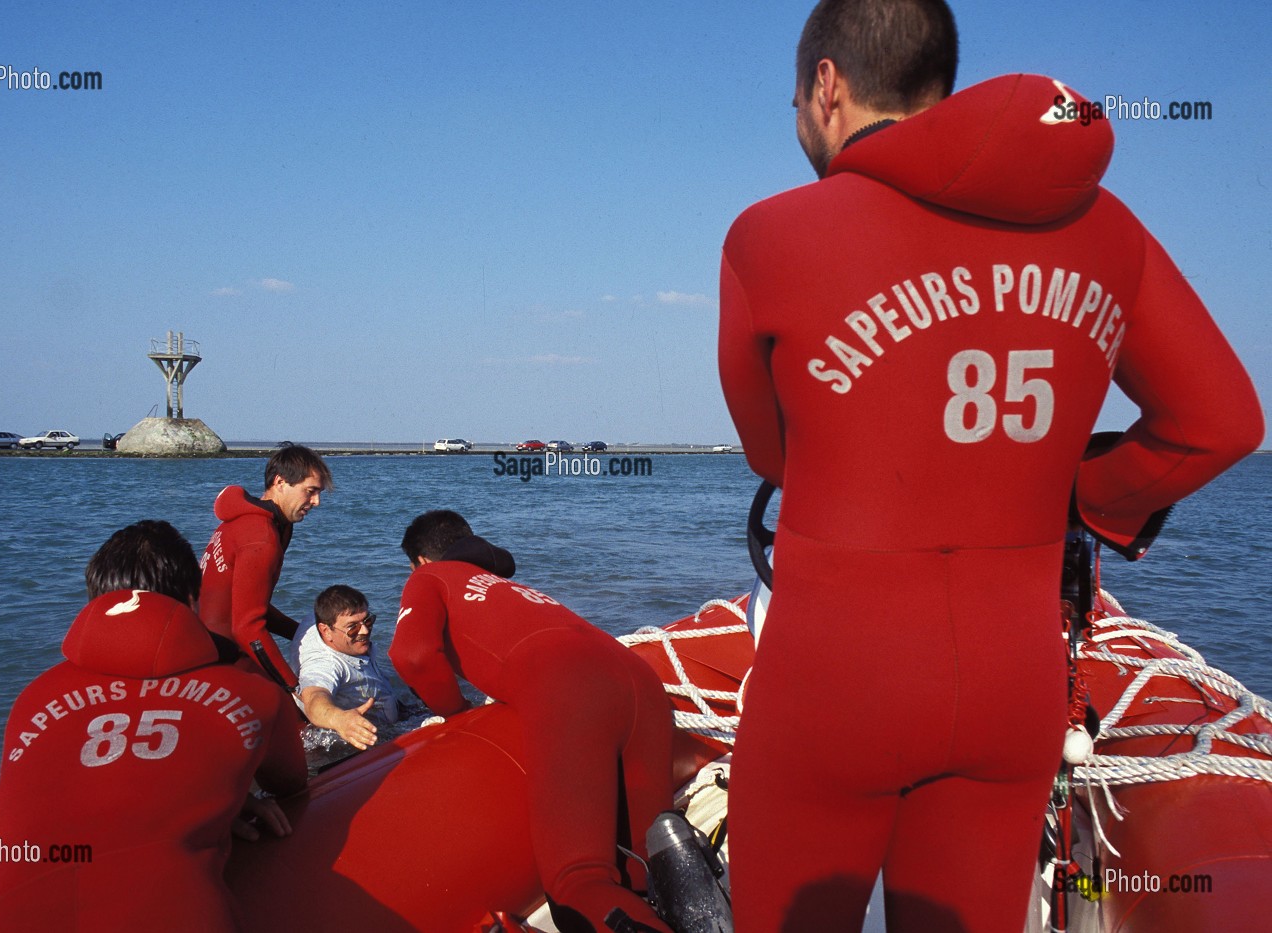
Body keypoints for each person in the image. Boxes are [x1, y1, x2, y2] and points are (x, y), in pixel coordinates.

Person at [717, 1, 1264, 930]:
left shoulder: (770, 233)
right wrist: (1084, 493)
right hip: (1015, 677)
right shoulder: (1107, 228)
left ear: (827, 86)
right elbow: (1222, 422)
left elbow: (775, 454)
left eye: (798, 103)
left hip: (835, 678)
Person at [0, 521, 307, 932]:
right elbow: (293, 785)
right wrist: (222, 790)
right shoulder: (252, 693)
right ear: (193, 601)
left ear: (94, 601)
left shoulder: (32, 699)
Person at [388, 510, 675, 933]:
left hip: (571, 689)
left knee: (578, 884)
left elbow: (411, 655)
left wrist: (457, 712)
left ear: (422, 561)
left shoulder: (429, 577)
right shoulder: (512, 588)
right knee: (645, 862)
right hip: (640, 683)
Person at [199, 444, 333, 691]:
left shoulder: (261, 521)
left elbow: (248, 606)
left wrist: (307, 637)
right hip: (220, 657)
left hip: (213, 642)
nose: (316, 502)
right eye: (310, 491)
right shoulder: (261, 538)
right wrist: (294, 689)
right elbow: (248, 627)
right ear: (280, 482)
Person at [289, 584, 402, 750]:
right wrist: (340, 720)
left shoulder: (316, 620)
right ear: (326, 631)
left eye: (368, 620)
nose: (364, 630)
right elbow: (314, 697)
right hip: (364, 735)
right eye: (352, 627)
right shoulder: (325, 664)